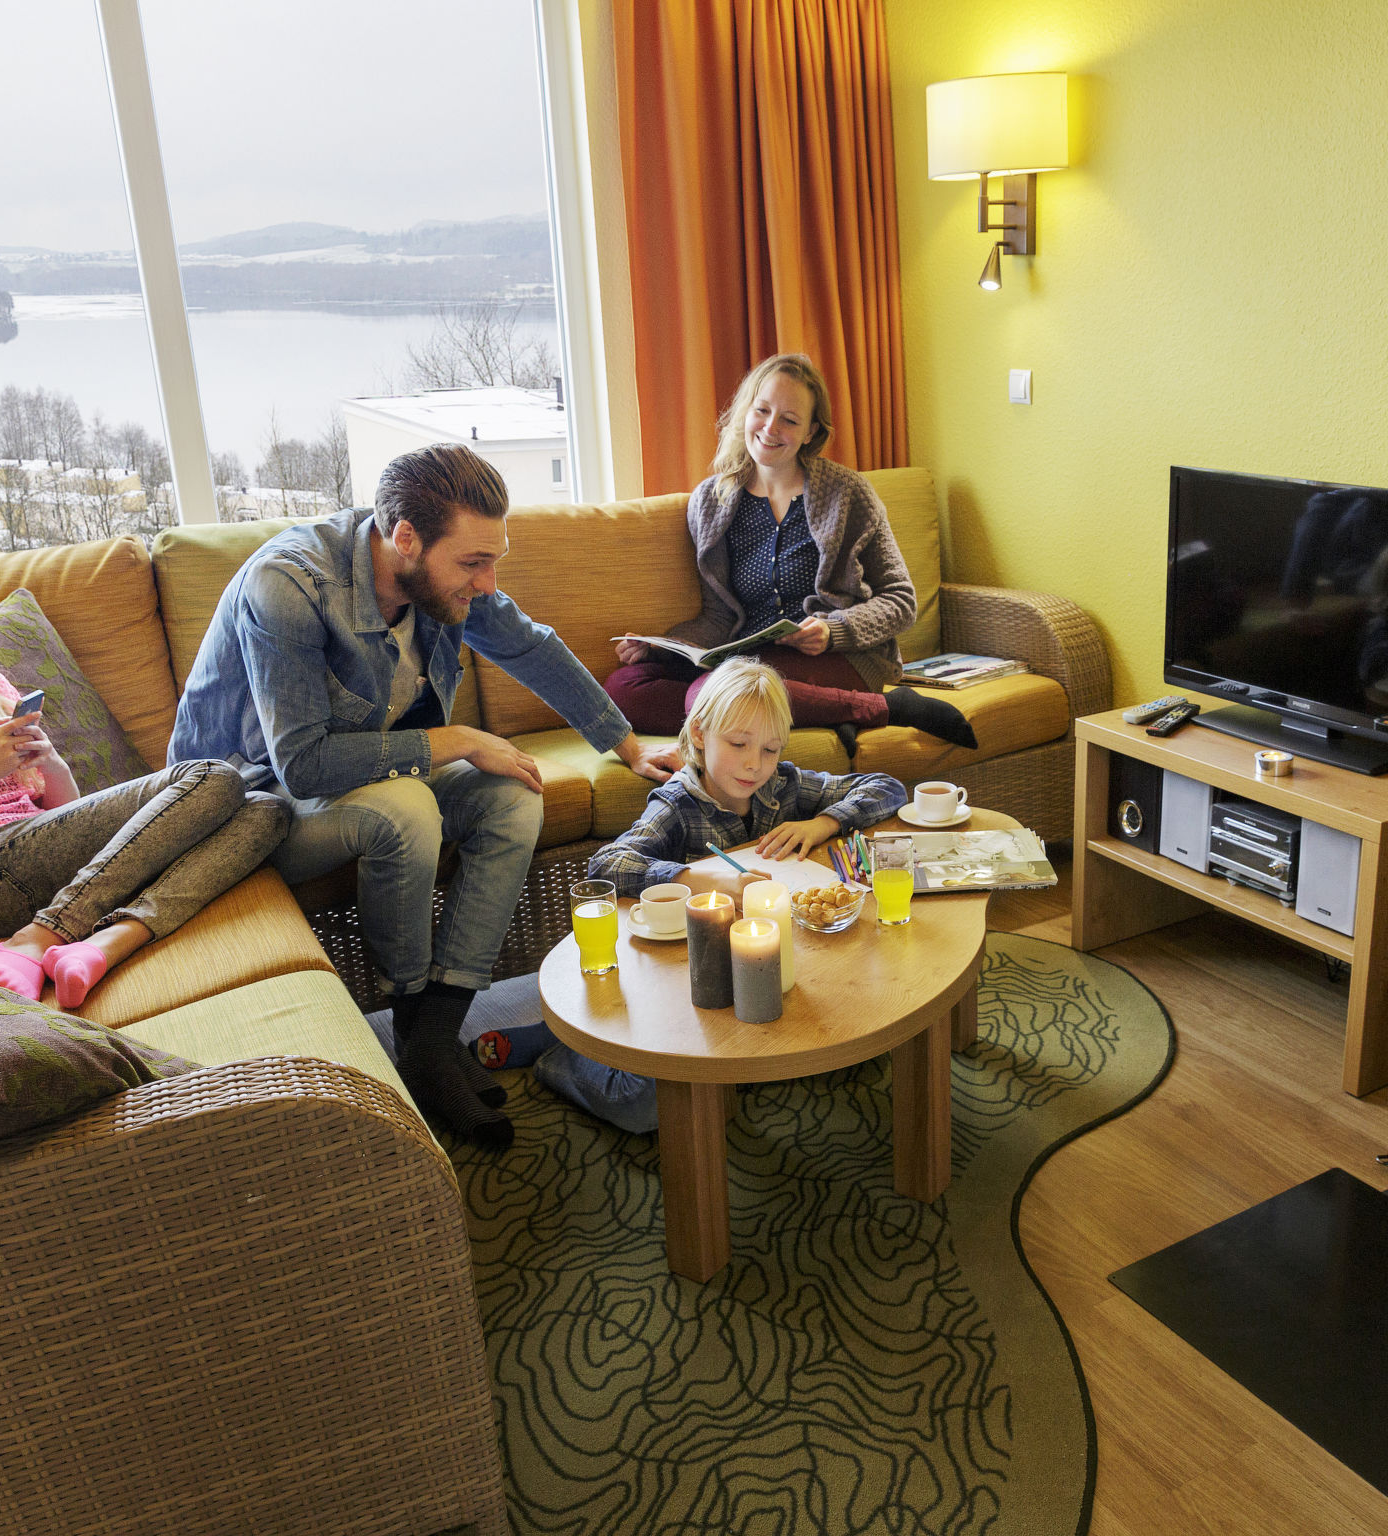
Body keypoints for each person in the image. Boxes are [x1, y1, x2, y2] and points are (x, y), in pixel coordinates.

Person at [168, 443, 679, 1153]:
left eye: (495, 559)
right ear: (403, 536)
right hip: (252, 805)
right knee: (408, 810)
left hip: (369, 774)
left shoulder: (445, 581)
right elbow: (303, 764)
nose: (489, 582)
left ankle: (434, 1035)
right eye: (474, 563)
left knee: (516, 791)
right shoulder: (289, 586)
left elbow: (530, 646)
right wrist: (459, 739)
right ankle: (419, 1031)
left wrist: (627, 746)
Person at [0, 549, 288, 1007]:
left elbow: (62, 816)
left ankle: (105, 944)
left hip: (37, 860)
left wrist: (52, 764)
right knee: (213, 777)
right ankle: (38, 937)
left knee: (266, 811)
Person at [537, 658, 907, 1133]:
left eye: (770, 749)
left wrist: (823, 823)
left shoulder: (785, 787)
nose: (755, 764)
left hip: (768, 972)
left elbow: (886, 786)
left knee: (858, 1045)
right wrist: (700, 881)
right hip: (692, 987)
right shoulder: (677, 803)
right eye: (738, 744)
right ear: (698, 734)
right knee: (643, 1105)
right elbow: (606, 865)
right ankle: (561, 1053)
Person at [606, 352, 978, 755]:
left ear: (810, 431)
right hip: (748, 659)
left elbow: (901, 600)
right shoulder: (711, 501)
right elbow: (719, 617)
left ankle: (882, 707)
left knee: (709, 696)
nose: (770, 428)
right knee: (624, 689)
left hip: (841, 658)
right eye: (762, 410)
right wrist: (663, 645)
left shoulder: (847, 494)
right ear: (745, 412)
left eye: (789, 419)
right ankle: (825, 713)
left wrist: (833, 631)